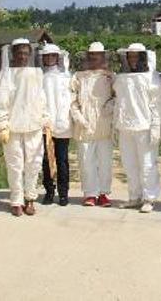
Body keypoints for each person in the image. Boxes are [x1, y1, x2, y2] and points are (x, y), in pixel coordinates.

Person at [0, 38, 50, 217]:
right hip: (13, 128)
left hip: (34, 126)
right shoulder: (6, 74)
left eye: (25, 53)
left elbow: (42, 98)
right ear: (13, 54)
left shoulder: (37, 73)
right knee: (15, 165)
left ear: (30, 54)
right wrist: (2, 125)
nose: (22, 56)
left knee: (34, 164)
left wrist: (45, 120)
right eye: (19, 52)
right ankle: (16, 200)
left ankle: (30, 198)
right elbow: (0, 102)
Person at [113, 43, 161, 213]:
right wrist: (116, 124)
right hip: (125, 127)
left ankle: (149, 198)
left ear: (143, 58)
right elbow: (118, 102)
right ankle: (134, 197)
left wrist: (156, 127)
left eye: (136, 57)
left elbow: (157, 104)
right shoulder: (121, 78)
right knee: (129, 165)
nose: (133, 60)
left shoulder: (152, 77)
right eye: (130, 57)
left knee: (148, 164)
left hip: (145, 127)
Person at [70, 42, 115, 207]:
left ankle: (103, 193)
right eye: (92, 55)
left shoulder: (110, 76)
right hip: (84, 127)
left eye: (98, 55)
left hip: (104, 125)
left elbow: (117, 96)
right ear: (88, 57)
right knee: (86, 161)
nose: (95, 58)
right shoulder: (78, 77)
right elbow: (72, 100)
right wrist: (79, 118)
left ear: (103, 57)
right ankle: (90, 194)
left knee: (105, 162)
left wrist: (109, 108)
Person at [39, 43, 72, 206]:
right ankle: (49, 192)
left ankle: (64, 193)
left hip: (63, 124)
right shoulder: (39, 76)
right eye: (46, 56)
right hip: (45, 125)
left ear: (58, 57)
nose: (49, 58)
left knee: (62, 160)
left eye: (52, 55)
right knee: (46, 160)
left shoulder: (66, 77)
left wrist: (65, 120)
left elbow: (69, 101)